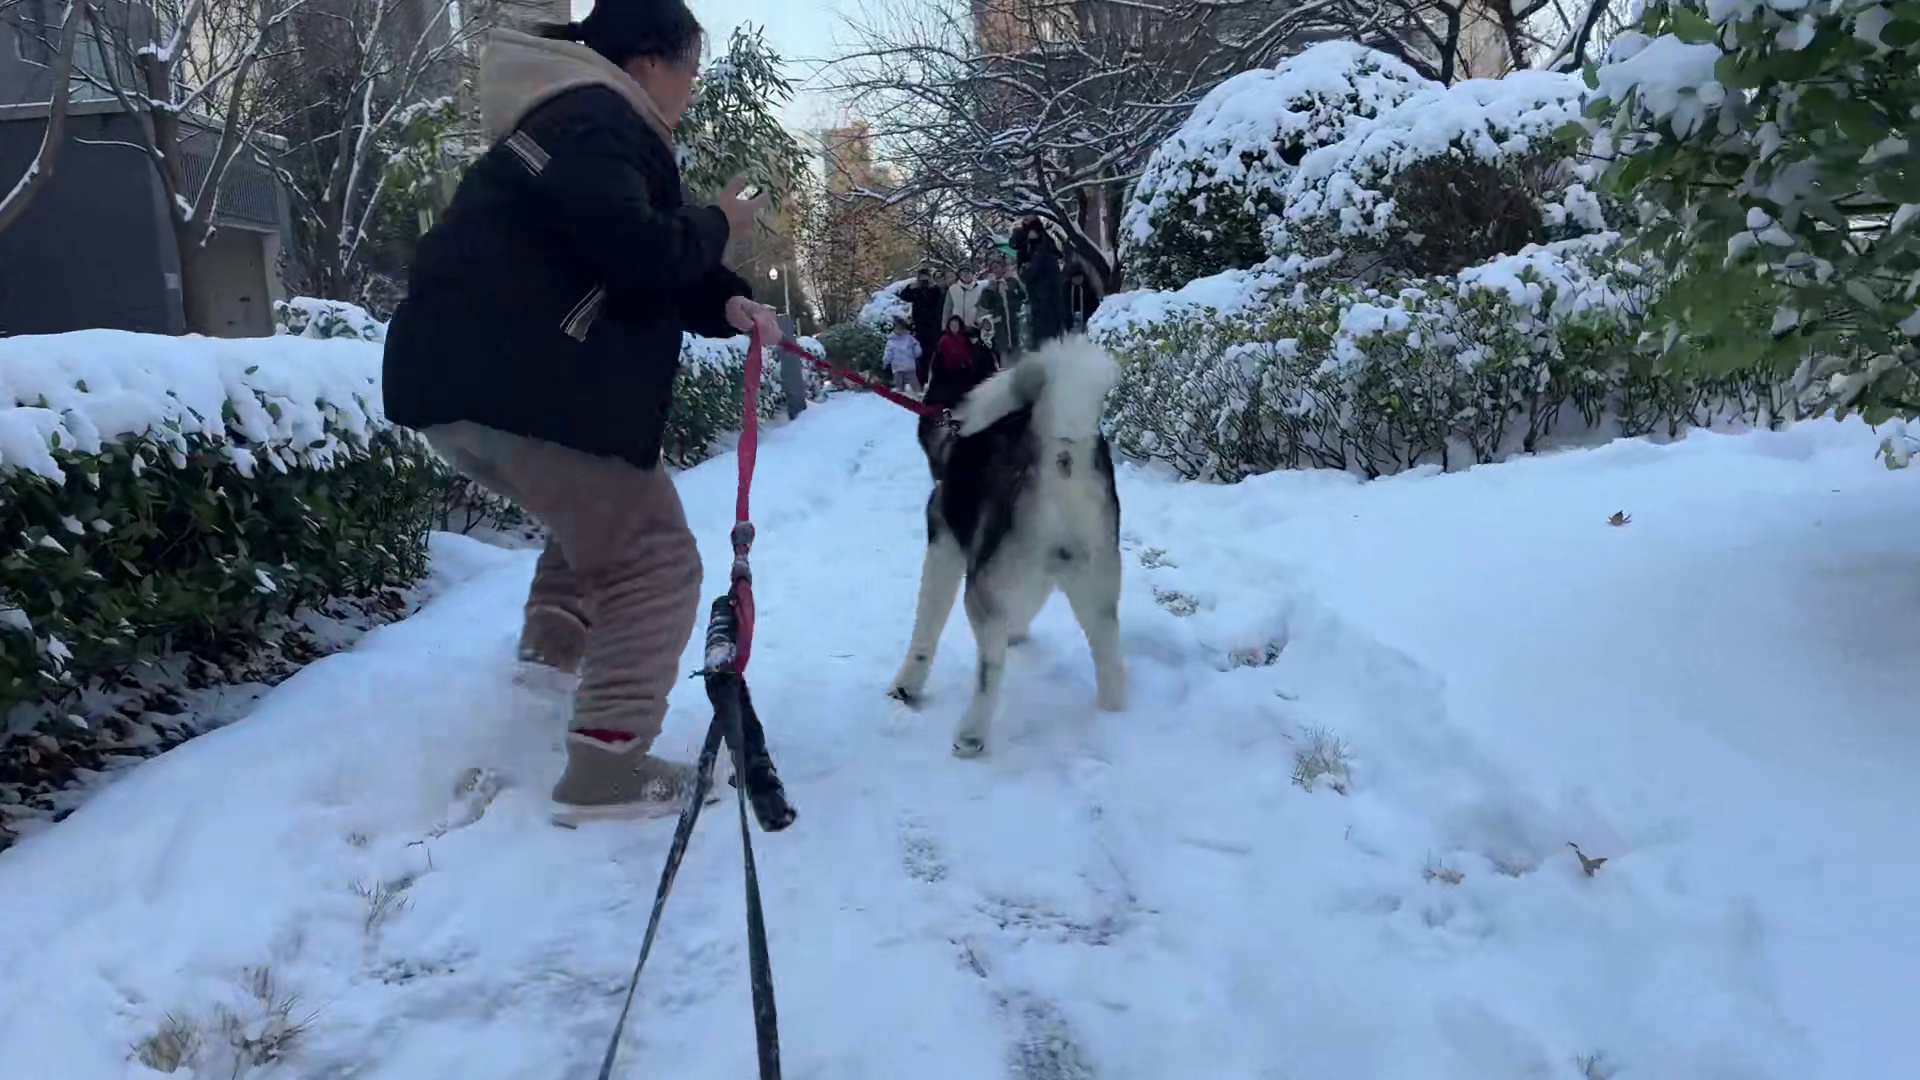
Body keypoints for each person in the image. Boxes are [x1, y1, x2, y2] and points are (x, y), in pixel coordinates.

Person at [380, 0, 782, 827]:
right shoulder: (598, 117)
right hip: (528, 384)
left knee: (596, 513)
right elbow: (637, 249)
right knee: (655, 560)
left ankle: (547, 660)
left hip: (471, 385)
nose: (693, 86)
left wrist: (726, 303)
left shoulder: (566, 117)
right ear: (647, 63)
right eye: (690, 67)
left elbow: (623, 254)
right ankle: (606, 764)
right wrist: (721, 224)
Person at [1014, 218, 1066, 346]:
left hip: (1050, 288)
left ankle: (1054, 344)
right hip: (1037, 291)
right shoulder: (1023, 242)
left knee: (1053, 318)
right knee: (1041, 321)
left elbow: (1054, 255)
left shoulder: (1045, 240)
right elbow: (1024, 271)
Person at [897, 268, 944, 386]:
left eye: (925, 279)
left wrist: (931, 287)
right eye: (921, 279)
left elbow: (939, 301)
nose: (923, 282)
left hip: (933, 327)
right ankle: (920, 381)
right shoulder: (916, 291)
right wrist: (911, 287)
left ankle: (929, 381)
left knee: (931, 355)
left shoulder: (934, 291)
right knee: (919, 355)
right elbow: (903, 296)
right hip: (919, 327)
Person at [925, 315, 979, 409]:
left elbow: (968, 355)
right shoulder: (944, 340)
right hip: (946, 372)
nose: (954, 327)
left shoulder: (964, 340)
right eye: (952, 325)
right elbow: (939, 357)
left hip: (960, 370)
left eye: (956, 325)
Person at [776, 311, 806, 419]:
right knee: (795, 387)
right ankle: (798, 407)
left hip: (789, 371)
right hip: (793, 371)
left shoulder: (783, 340)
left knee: (792, 388)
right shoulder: (790, 339)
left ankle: (795, 409)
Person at [942, 264, 989, 331]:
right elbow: (947, 310)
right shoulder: (952, 289)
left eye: (968, 272)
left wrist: (980, 320)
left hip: (974, 327)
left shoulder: (979, 289)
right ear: (959, 275)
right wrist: (944, 327)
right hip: (956, 328)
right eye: (963, 273)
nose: (966, 275)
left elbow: (983, 308)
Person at [883, 317, 923, 393]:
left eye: (901, 328)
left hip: (909, 365)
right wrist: (886, 359)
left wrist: (917, 352)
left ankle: (918, 392)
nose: (900, 330)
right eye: (898, 328)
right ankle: (899, 392)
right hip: (897, 367)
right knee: (899, 382)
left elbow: (916, 345)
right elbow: (888, 351)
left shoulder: (909, 338)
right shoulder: (891, 341)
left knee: (913, 381)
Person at [1064, 263, 1101, 334]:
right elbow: (1062, 305)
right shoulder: (1065, 289)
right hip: (1068, 324)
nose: (1077, 279)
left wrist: (1085, 314)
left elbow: (1094, 306)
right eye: (1075, 277)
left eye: (1079, 277)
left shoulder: (1089, 289)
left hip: (1085, 322)